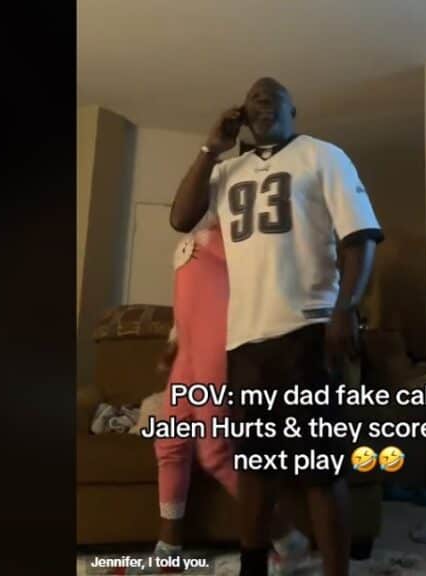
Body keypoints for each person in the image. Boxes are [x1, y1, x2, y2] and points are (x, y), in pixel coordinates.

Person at [170, 77, 383, 576]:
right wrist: (211, 148)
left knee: (320, 470)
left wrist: (345, 309)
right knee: (255, 468)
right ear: (242, 114)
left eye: (273, 98)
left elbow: (360, 238)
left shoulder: (322, 155)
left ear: (293, 110)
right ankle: (254, 567)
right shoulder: (227, 170)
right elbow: (181, 219)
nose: (262, 103)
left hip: (308, 332)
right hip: (245, 341)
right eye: (254, 100)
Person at [151, 215, 308, 574]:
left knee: (216, 452)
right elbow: (191, 299)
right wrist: (173, 343)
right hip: (189, 349)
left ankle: (288, 538)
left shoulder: (245, 230)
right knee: (170, 441)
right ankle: (169, 547)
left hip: (219, 347)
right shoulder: (199, 230)